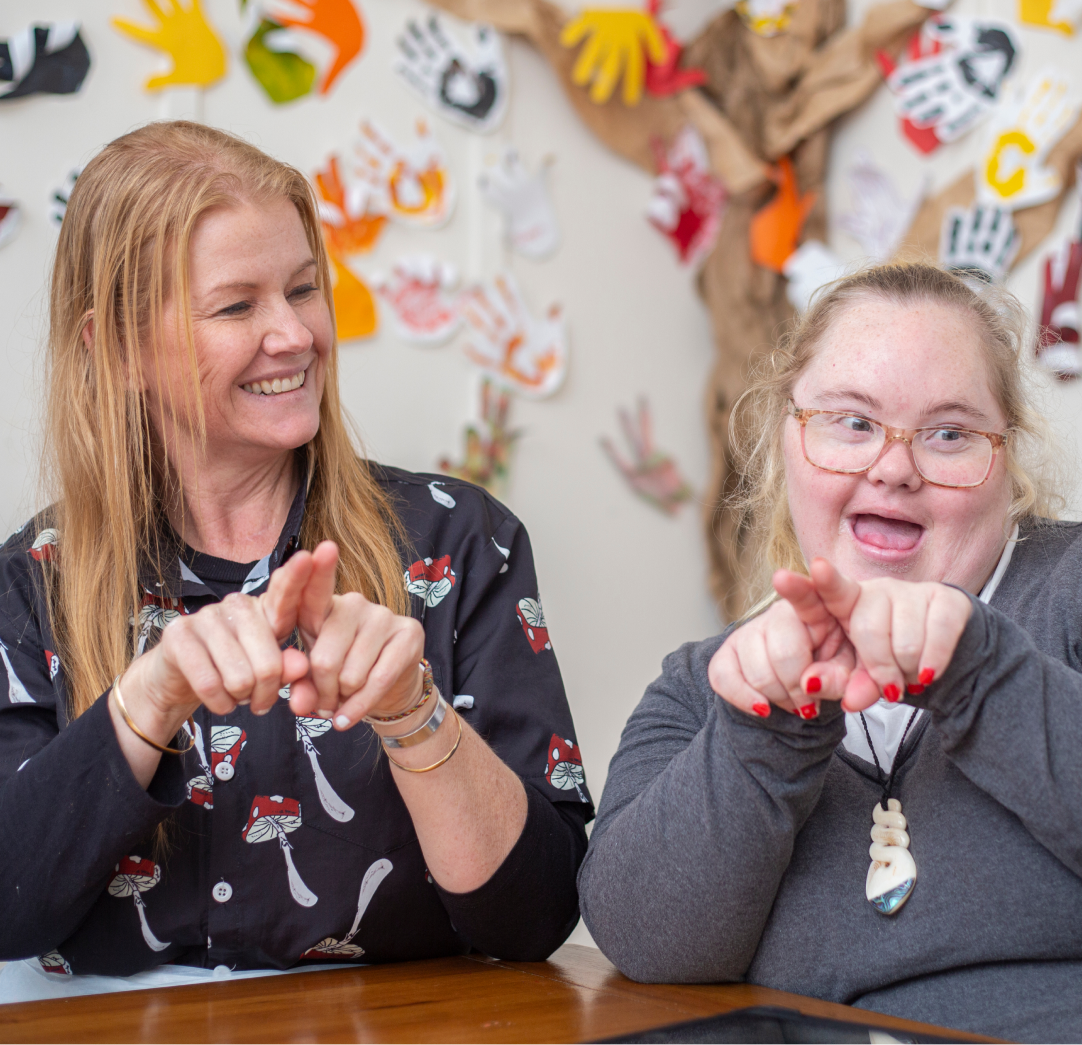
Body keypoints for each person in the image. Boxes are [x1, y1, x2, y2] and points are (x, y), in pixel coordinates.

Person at [0, 121, 592, 990]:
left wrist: (412, 712)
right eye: (237, 306)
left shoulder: (461, 542)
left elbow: (537, 915)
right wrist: (146, 700)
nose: (295, 333)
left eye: (304, 289)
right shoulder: (30, 584)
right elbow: (9, 910)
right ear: (117, 349)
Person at [578, 262, 1082, 1043]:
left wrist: (979, 674)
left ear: (1005, 456)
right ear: (788, 435)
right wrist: (764, 732)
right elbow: (647, 942)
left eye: (950, 433)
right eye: (851, 422)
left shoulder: (1070, 586)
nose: (893, 467)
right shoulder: (703, 683)